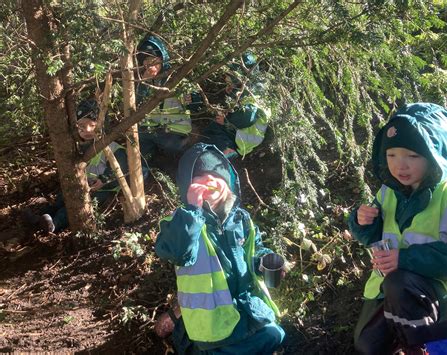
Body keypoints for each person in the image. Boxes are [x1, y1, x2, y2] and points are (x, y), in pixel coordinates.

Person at [348, 103, 447, 354]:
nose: (400, 166)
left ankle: (422, 345)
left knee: (399, 284)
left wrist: (404, 259)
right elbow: (373, 237)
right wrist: (361, 222)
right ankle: (405, 331)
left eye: (412, 156)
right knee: (367, 346)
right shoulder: (389, 190)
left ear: (434, 155)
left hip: (441, 287)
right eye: (392, 155)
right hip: (393, 287)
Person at [154, 143, 285, 354]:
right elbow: (177, 251)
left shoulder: (242, 220)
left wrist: (264, 261)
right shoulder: (179, 222)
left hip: (245, 308)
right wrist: (192, 211)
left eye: (216, 175)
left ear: (229, 183)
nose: (209, 181)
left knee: (275, 335)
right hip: (210, 322)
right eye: (199, 177)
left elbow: (254, 251)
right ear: (186, 185)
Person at [23, 99, 128, 233]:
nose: (87, 130)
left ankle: (54, 224)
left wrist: (104, 180)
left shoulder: (113, 148)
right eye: (82, 126)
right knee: (63, 198)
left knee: (76, 205)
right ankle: (41, 217)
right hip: (83, 183)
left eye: (92, 125)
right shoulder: (76, 146)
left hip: (103, 189)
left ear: (101, 125)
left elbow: (120, 168)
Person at [193, 52, 271, 159]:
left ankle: (224, 151)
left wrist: (226, 122)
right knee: (214, 129)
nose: (225, 78)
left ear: (239, 76)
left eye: (229, 75)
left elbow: (248, 116)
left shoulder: (253, 93)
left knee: (216, 131)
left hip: (241, 138)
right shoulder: (251, 87)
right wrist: (233, 90)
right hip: (241, 136)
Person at [136, 35, 192, 159]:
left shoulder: (174, 76)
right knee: (142, 150)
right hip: (149, 130)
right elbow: (136, 104)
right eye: (146, 60)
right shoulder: (140, 78)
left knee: (174, 147)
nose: (150, 64)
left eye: (154, 59)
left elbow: (191, 98)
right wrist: (144, 84)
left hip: (173, 130)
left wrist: (187, 98)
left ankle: (178, 148)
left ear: (162, 59)